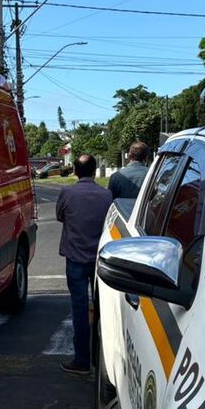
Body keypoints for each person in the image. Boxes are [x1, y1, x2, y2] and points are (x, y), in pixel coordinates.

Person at [56, 154, 113, 375]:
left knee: (79, 310)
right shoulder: (107, 195)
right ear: (94, 171)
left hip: (76, 260)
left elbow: (61, 216)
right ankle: (102, 360)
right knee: (101, 310)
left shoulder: (67, 193)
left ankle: (81, 360)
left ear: (75, 172)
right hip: (100, 260)